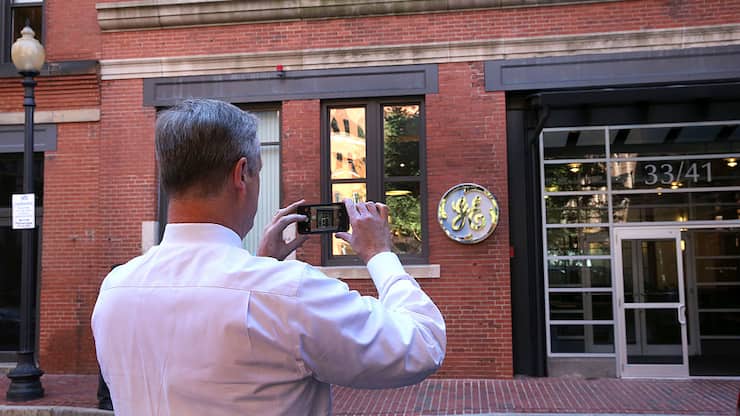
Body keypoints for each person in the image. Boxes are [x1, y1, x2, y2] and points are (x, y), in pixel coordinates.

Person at [91, 98, 446, 415]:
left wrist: (263, 265)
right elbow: (422, 344)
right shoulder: (287, 291)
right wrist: (379, 252)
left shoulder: (114, 290)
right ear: (241, 173)